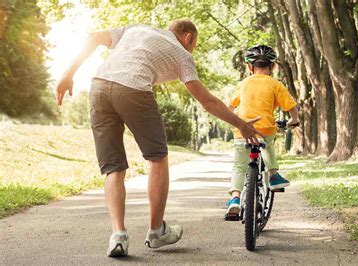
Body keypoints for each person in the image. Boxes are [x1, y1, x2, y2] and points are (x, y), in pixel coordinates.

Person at [55, 19, 261, 257]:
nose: (192, 50)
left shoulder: (135, 29)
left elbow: (93, 37)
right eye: (194, 45)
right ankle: (156, 231)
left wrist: (68, 74)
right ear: (188, 38)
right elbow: (207, 101)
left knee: (113, 167)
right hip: (133, 89)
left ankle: (118, 235)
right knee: (157, 158)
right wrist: (241, 124)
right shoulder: (183, 54)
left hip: (99, 88)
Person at [225, 45, 299, 220]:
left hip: (242, 129)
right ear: (272, 67)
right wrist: (293, 120)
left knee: (239, 165)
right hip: (265, 127)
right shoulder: (275, 84)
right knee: (268, 146)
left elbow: (230, 106)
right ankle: (273, 176)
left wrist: (233, 120)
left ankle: (235, 199)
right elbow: (291, 107)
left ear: (250, 67)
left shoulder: (243, 84)